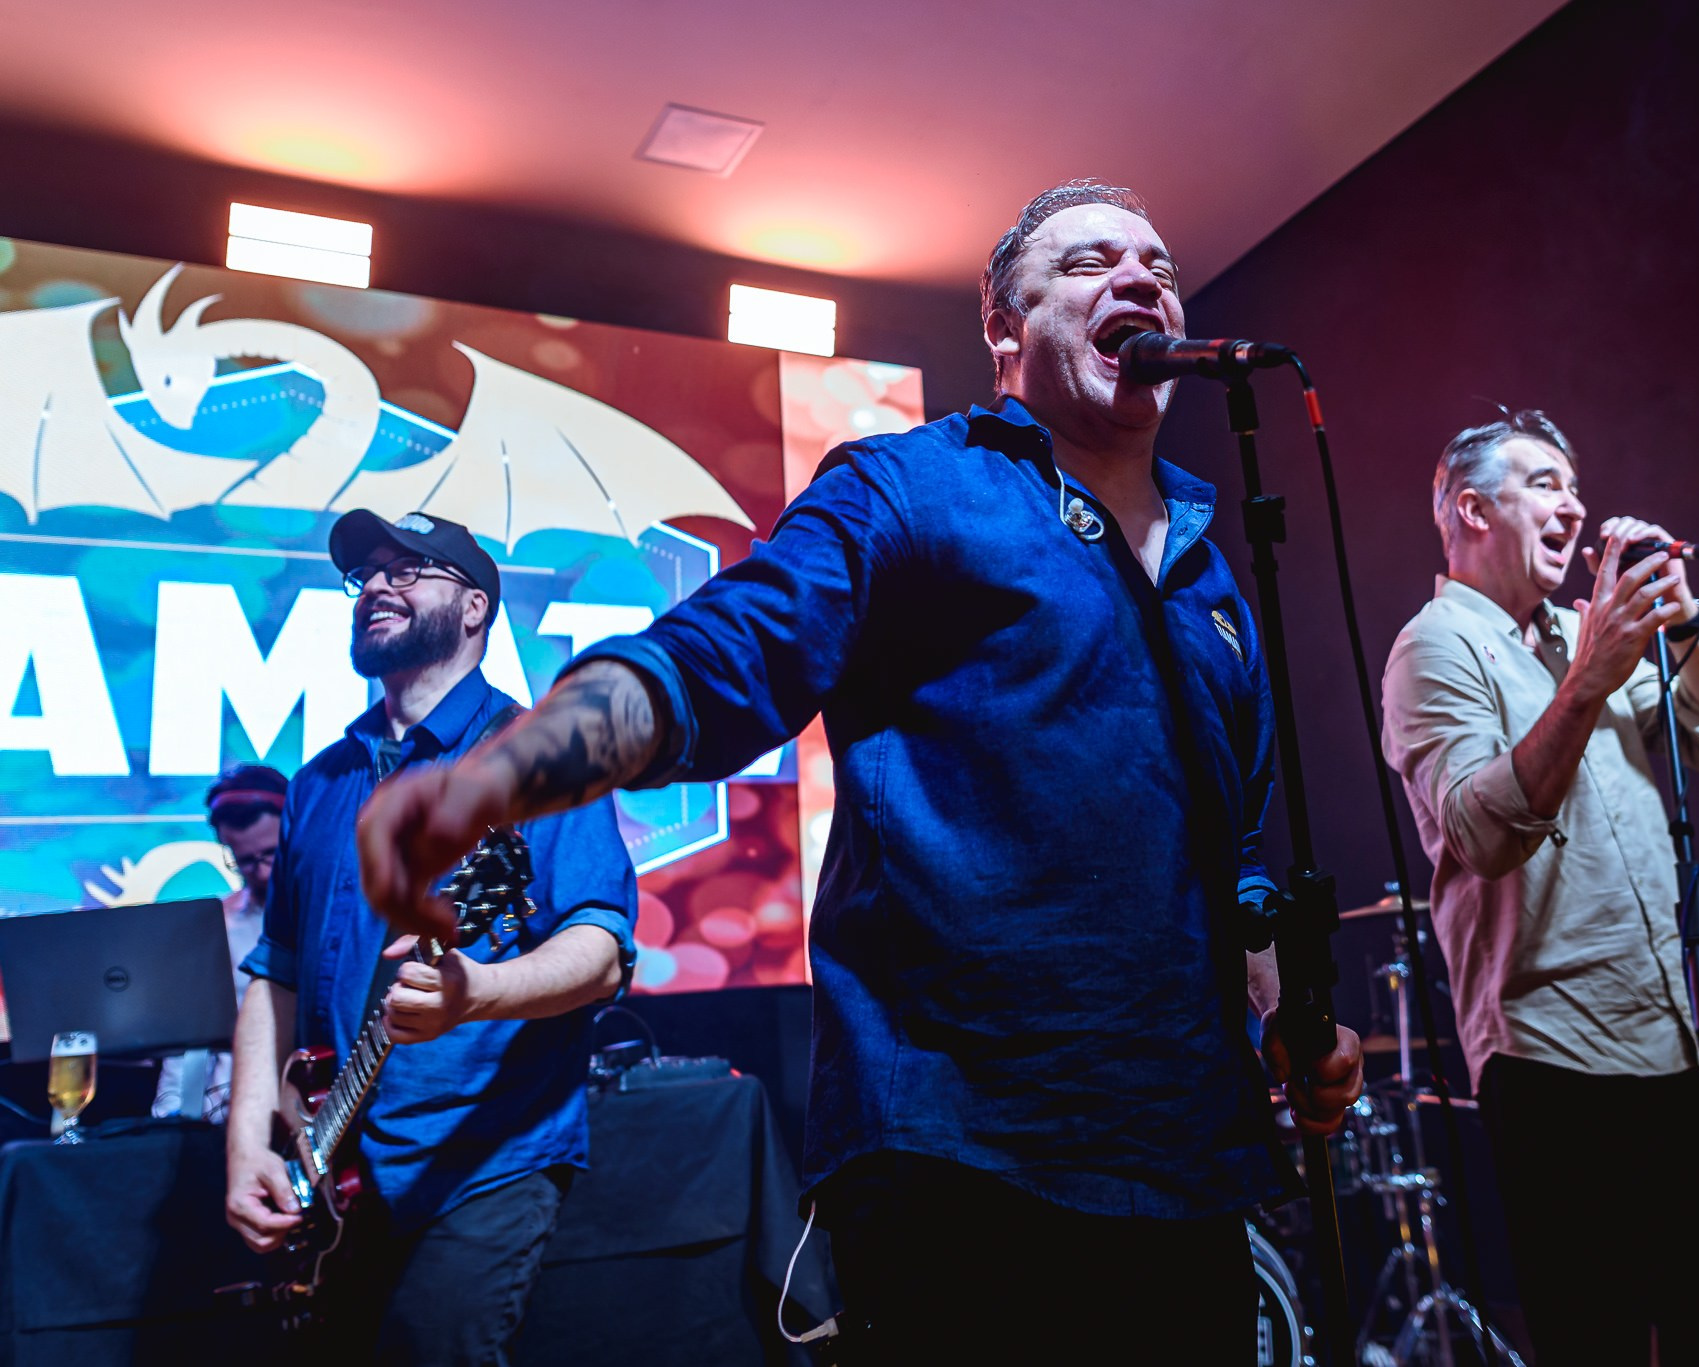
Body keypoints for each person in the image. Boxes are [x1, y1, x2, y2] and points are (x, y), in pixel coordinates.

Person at [351, 181, 1363, 1365]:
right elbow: (721, 655)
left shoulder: (1210, 577)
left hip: (1190, 1157)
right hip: (967, 1155)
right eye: (1088, 263)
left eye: (1156, 262)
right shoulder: (913, 487)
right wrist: (513, 764)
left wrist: (1282, 1013)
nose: (1138, 278)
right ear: (1002, 330)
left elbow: (1227, 857)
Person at [1380, 410, 1699, 1365]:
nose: (1576, 503)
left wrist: (1682, 615)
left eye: (1574, 484)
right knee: (1594, 1334)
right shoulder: (1434, 648)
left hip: (1668, 1040)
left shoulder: (1585, 631)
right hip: (1551, 1060)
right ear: (1472, 508)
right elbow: (1480, 832)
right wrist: (1590, 675)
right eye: (1545, 483)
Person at [223, 510, 637, 1366]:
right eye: (366, 573)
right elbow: (275, 975)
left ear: (476, 607)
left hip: (485, 1158)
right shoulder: (321, 780)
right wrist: (247, 1146)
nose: (376, 584)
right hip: (340, 1163)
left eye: (408, 568)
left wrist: (477, 993)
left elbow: (599, 948)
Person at [151, 763, 286, 1121]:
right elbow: (188, 1045)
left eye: (271, 854)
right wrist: (169, 1119)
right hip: (229, 1118)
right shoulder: (217, 926)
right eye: (245, 861)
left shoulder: (335, 920)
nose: (263, 872)